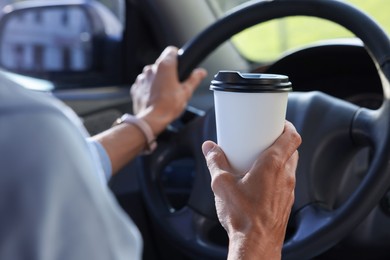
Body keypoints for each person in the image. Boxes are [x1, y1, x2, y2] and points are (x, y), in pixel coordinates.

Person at [0, 46, 301, 259]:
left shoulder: (24, 134)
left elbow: (52, 170)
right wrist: (256, 233)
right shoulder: (27, 124)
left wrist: (150, 120)